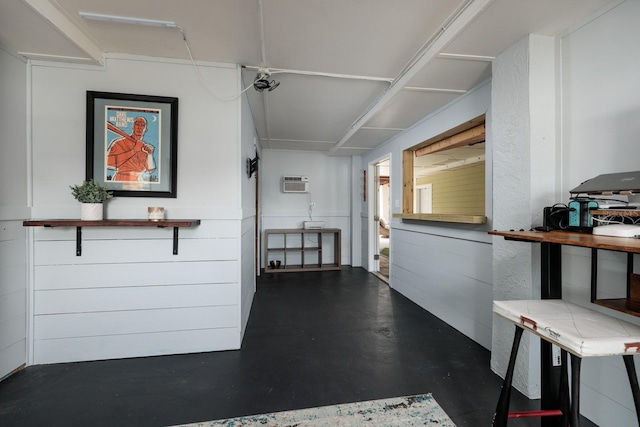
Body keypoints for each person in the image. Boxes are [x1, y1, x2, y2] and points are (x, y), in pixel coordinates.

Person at [107, 117, 156, 182]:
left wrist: (150, 155)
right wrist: (134, 150)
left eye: (142, 125)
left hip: (138, 181)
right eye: (137, 124)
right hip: (121, 178)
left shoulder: (145, 147)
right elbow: (108, 163)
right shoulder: (119, 143)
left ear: (145, 129)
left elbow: (150, 170)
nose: (139, 127)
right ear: (133, 126)